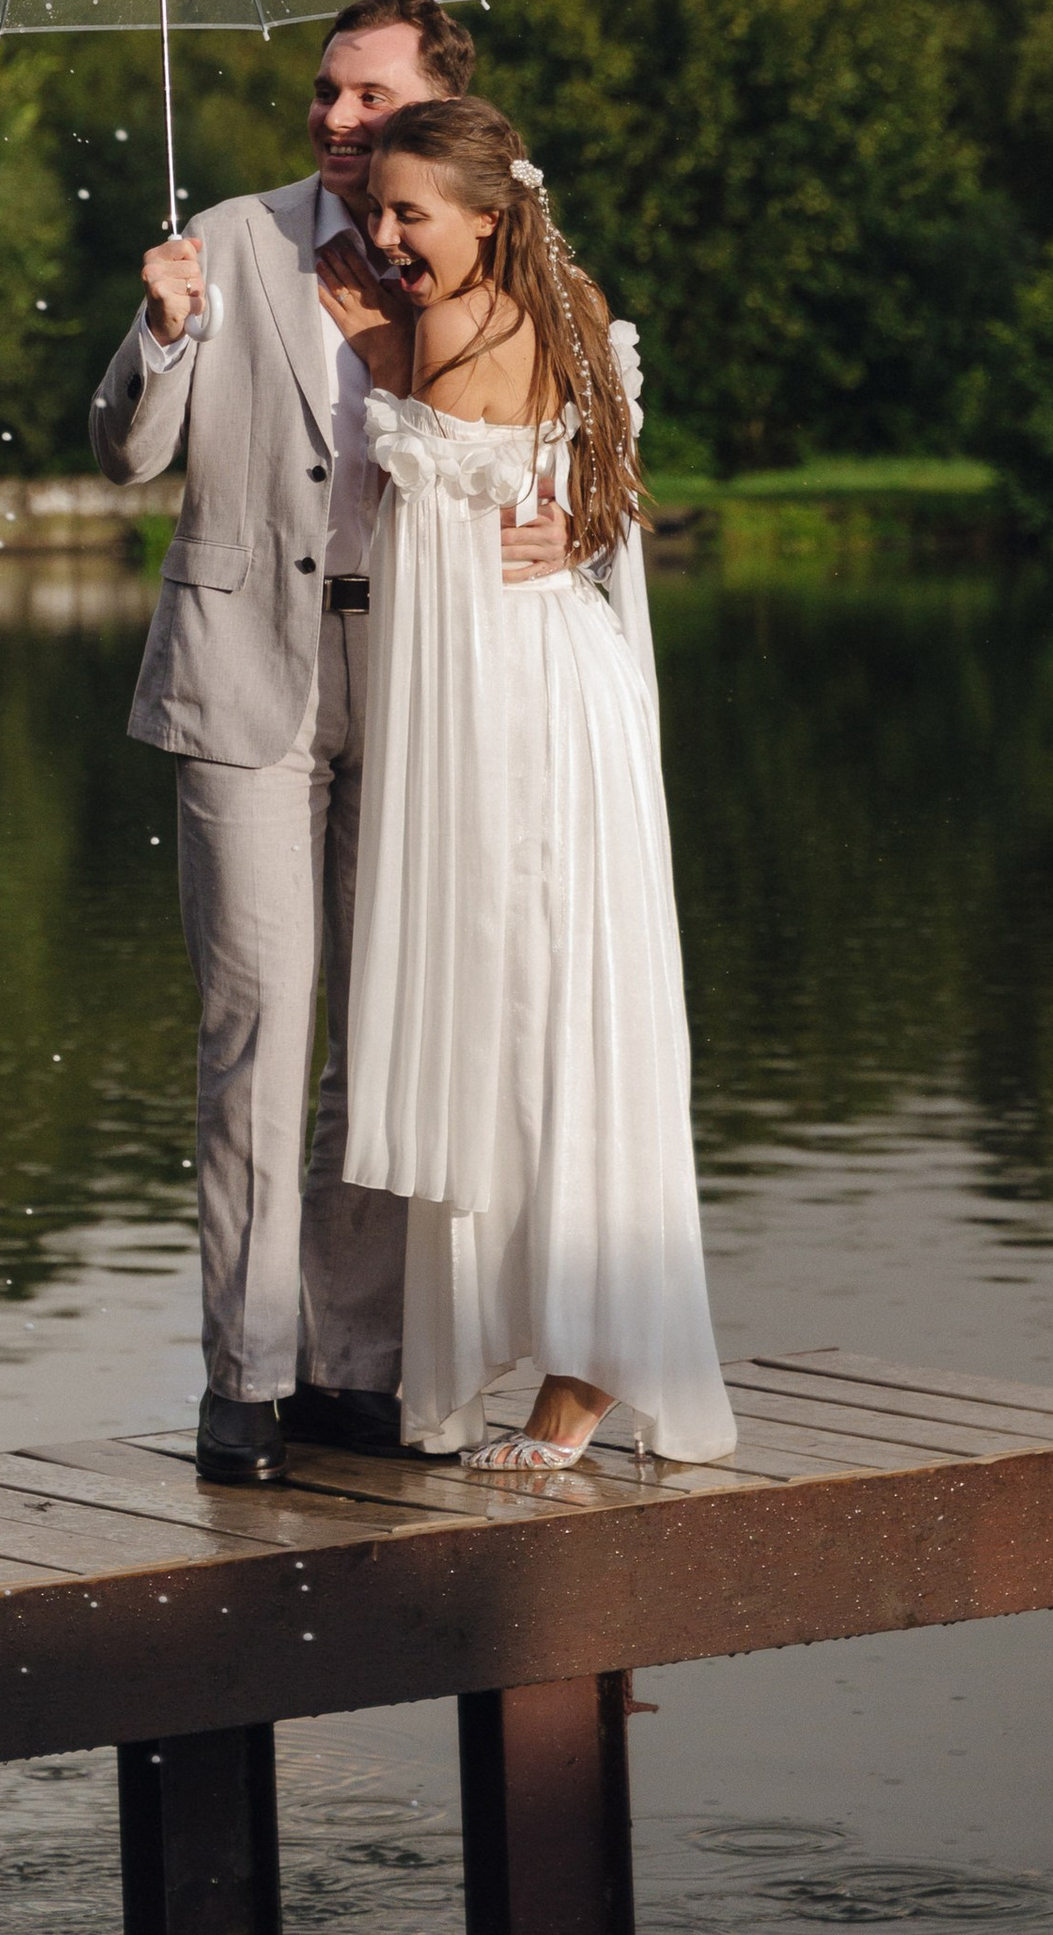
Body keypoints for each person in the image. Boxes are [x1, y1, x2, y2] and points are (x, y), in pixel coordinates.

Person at [88, 0, 574, 1488]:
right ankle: (243, 1379)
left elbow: (571, 435)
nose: (336, 118)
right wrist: (165, 334)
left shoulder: (486, 257)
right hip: (242, 682)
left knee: (387, 1039)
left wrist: (567, 528)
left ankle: (352, 1373)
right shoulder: (231, 240)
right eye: (324, 94)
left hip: (428, 682)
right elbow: (126, 453)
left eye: (368, 97)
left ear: (434, 108)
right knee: (260, 1031)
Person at [334, 92, 735, 1469]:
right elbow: (603, 493)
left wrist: (370, 346)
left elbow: (431, 516)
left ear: (490, 215)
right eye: (378, 211)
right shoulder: (573, 298)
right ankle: (571, 1352)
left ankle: (570, 1368)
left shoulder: (438, 329)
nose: (388, 237)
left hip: (505, 710)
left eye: (412, 214)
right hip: (572, 691)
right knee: (559, 1011)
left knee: (525, 1015)